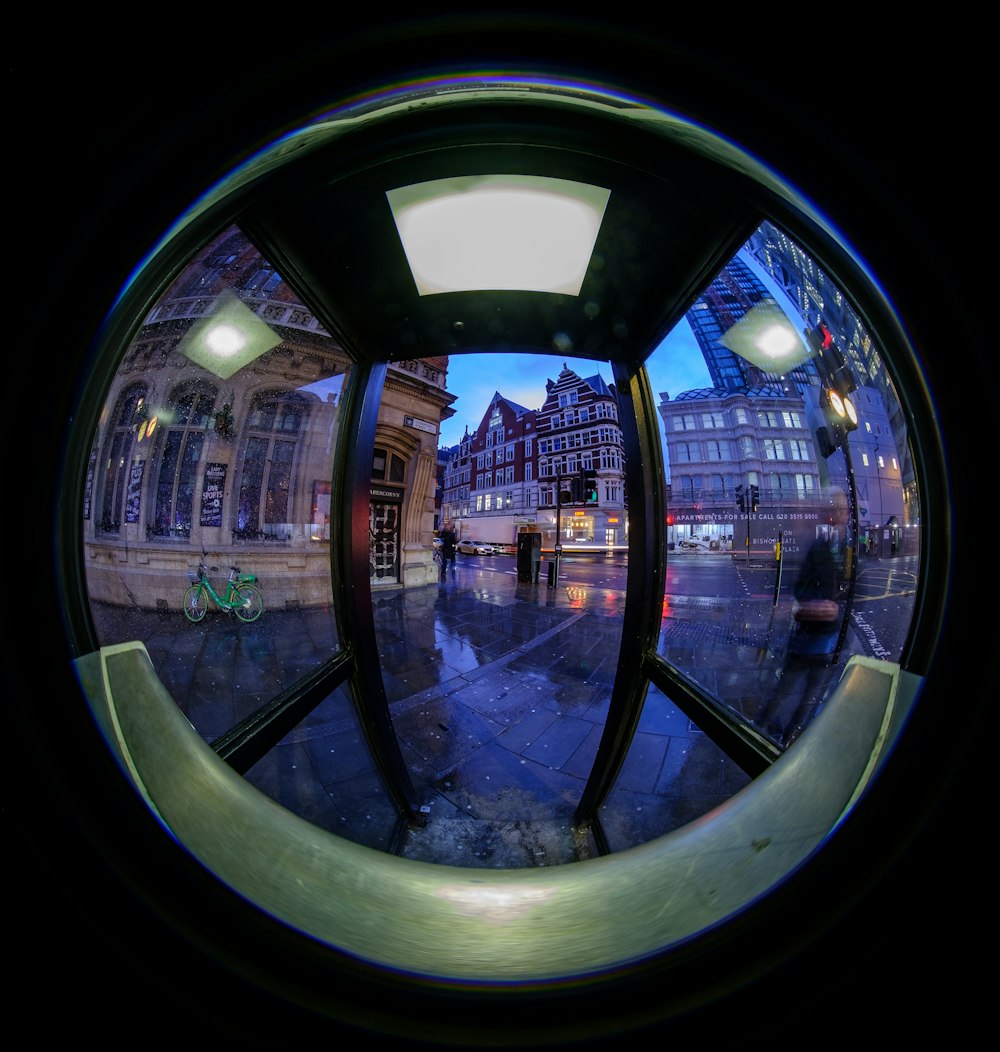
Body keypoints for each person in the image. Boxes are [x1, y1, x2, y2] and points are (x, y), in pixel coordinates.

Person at [760, 488, 850, 746]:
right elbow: (799, 585)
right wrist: (812, 604)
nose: (837, 513)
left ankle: (789, 738)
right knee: (783, 689)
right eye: (833, 508)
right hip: (806, 639)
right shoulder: (817, 546)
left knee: (811, 698)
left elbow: (855, 589)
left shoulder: (849, 550)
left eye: (842, 509)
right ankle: (759, 727)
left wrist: (836, 606)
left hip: (830, 643)